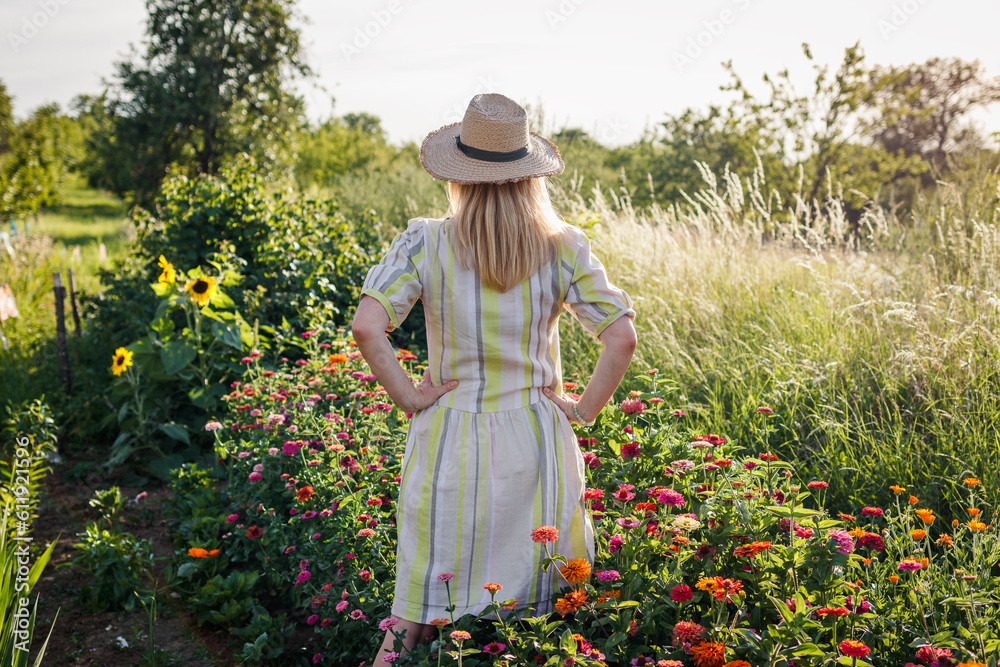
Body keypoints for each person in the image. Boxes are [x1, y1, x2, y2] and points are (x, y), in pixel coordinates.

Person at [351, 93, 637, 665]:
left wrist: (410, 396)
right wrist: (581, 411)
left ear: (459, 173)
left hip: (449, 437)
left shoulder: (425, 240)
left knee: (419, 605)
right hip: (535, 440)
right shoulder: (564, 246)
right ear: (530, 176)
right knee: (541, 613)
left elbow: (367, 327)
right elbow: (621, 337)